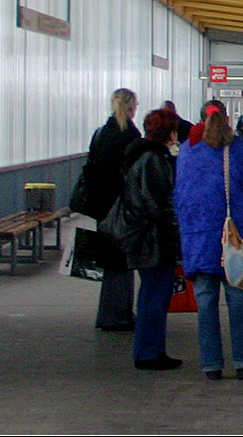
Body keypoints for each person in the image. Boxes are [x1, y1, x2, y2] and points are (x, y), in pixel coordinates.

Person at [174, 102, 243, 381]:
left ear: (199, 119)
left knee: (205, 303)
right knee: (238, 299)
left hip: (197, 239)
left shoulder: (187, 150)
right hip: (233, 238)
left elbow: (179, 194)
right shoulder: (238, 148)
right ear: (228, 120)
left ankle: (211, 366)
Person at [108, 108, 183, 371]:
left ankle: (152, 350)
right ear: (170, 132)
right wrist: (176, 232)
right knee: (154, 297)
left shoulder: (142, 155)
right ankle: (149, 353)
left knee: (153, 295)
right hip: (153, 240)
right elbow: (158, 204)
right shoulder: (154, 160)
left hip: (146, 238)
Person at [88, 88, 141, 331]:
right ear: (132, 107)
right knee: (122, 262)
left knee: (111, 263)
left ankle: (111, 312)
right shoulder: (130, 135)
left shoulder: (101, 134)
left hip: (102, 207)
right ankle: (118, 315)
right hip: (123, 207)